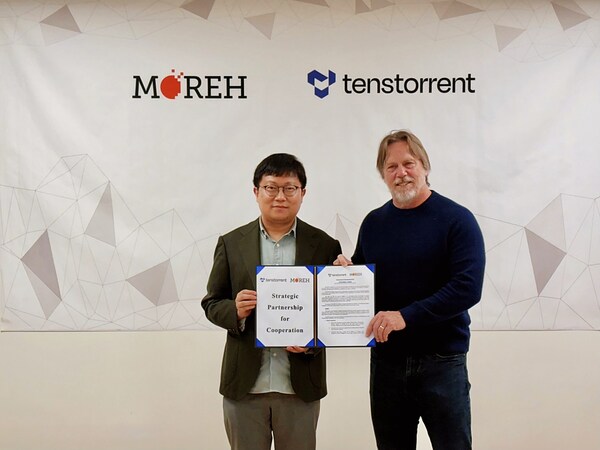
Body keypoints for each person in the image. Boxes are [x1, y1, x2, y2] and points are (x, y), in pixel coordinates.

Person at [335, 130, 485, 450]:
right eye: (391, 167)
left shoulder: (457, 220)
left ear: (425, 167)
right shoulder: (373, 223)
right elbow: (365, 280)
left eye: (408, 163)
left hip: (442, 362)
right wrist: (346, 274)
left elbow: (467, 288)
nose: (401, 173)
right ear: (383, 175)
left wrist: (406, 316)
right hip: (387, 363)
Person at [202, 153, 341, 450]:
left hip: (299, 385)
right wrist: (235, 311)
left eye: (290, 188)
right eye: (271, 187)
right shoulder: (231, 243)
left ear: (303, 193)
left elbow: (332, 314)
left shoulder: (325, 246)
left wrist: (314, 339)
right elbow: (212, 303)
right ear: (256, 192)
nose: (280, 196)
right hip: (245, 386)